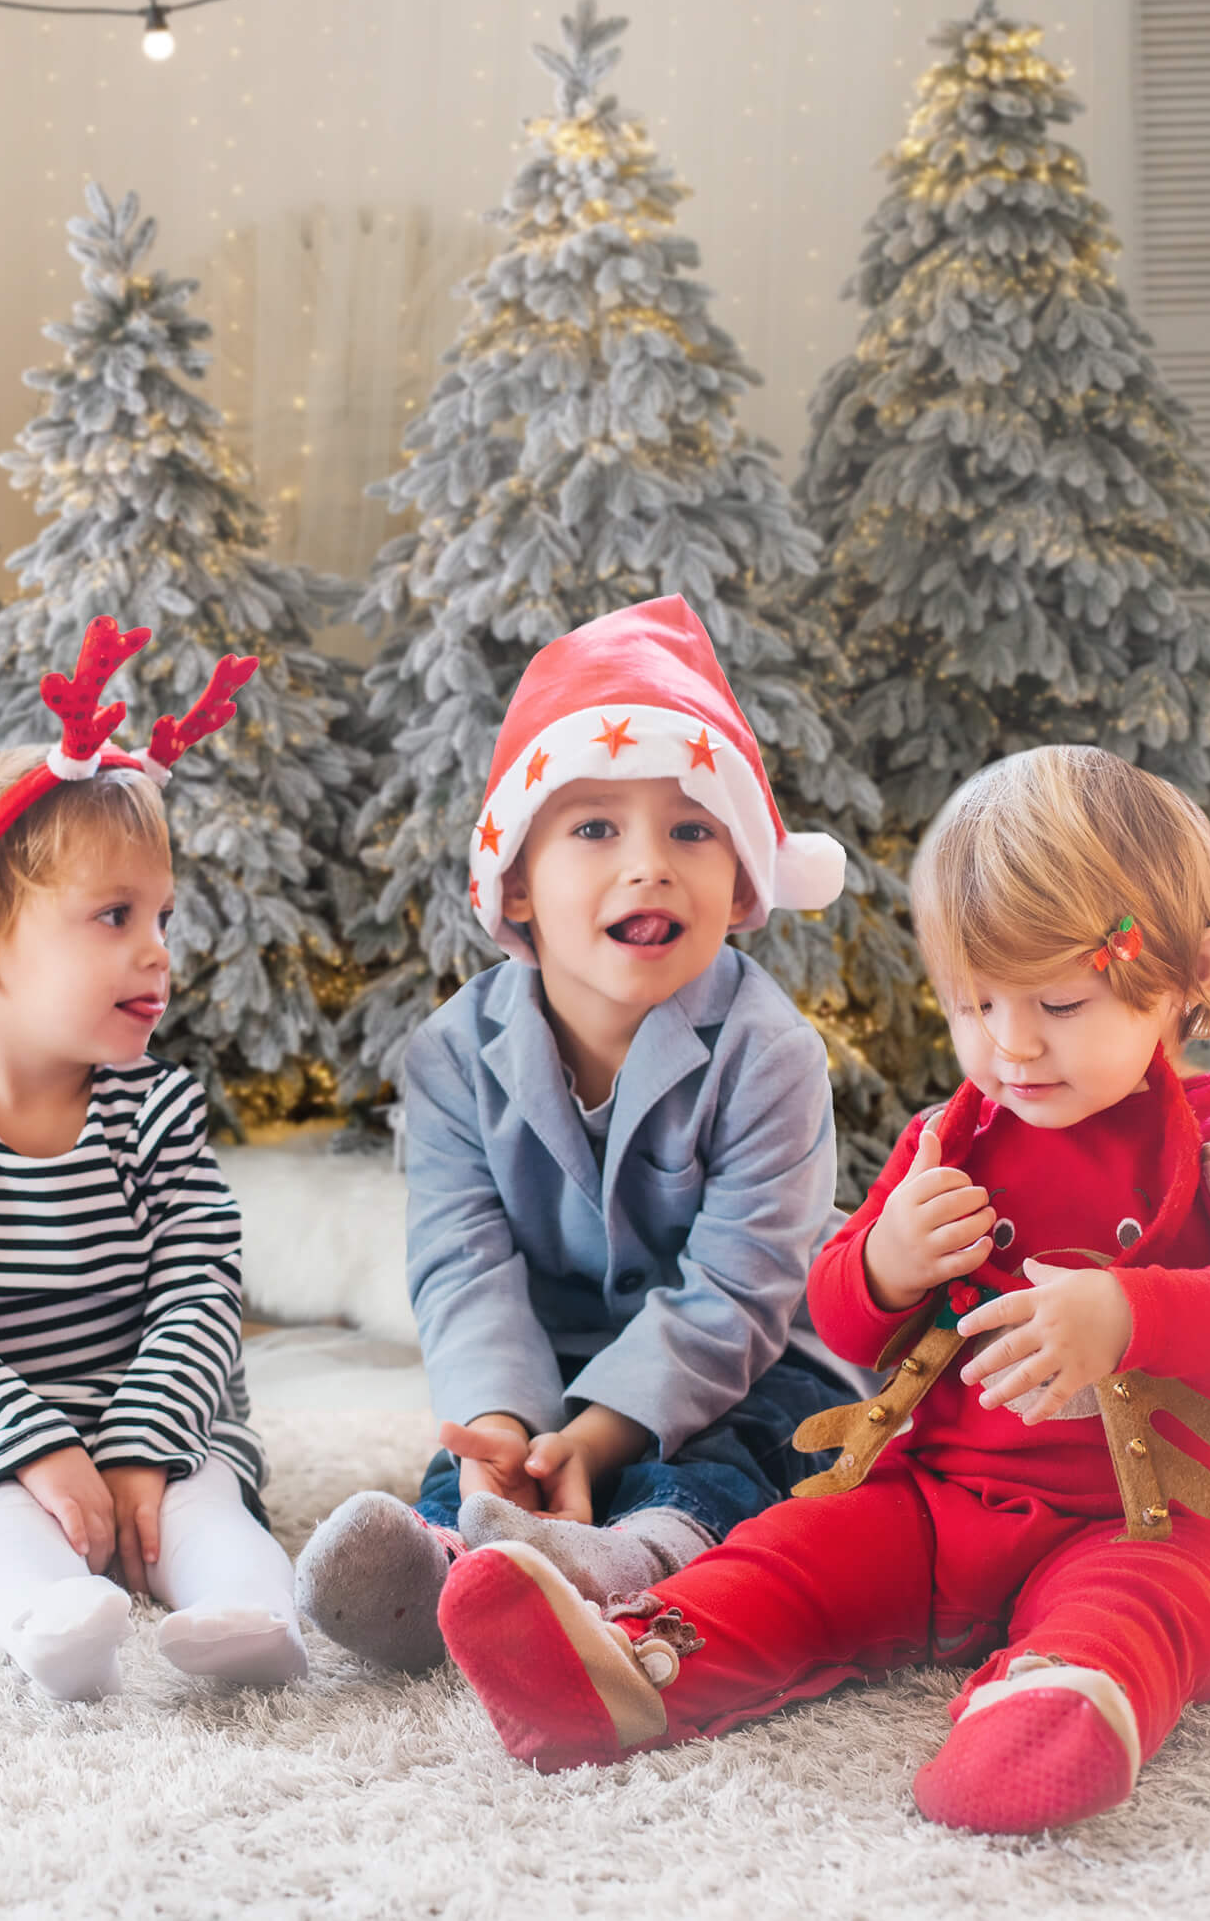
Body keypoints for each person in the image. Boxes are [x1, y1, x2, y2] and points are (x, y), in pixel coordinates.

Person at [435, 743, 1210, 1833]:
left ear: (1192, 971)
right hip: (935, 1502)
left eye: (1058, 1002)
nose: (1011, 1046)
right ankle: (634, 1662)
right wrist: (885, 1262)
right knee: (794, 1548)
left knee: (1145, 1603)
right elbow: (835, 1315)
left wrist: (1131, 1314)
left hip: (1137, 1519)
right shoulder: (948, 1139)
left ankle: (1050, 1704)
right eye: (975, 1005)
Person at [296, 595, 864, 1671]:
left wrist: (599, 1437)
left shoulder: (769, 1052)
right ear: (514, 882)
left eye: (692, 830)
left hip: (752, 1355)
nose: (649, 863)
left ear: (742, 879)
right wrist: (507, 1431)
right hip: (548, 1358)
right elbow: (462, 1267)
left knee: (758, 1445)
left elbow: (740, 1289)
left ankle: (634, 1562)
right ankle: (440, 1568)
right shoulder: (452, 1055)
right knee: (473, 1458)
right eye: (595, 827)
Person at [0, 616, 306, 1701]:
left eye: (162, 915)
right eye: (113, 915)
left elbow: (198, 1289)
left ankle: (251, 1613)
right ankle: (46, 1617)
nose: (158, 950)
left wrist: (142, 1441)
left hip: (150, 1411)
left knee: (202, 1506)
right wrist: (29, 1445)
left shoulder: (157, 1108)